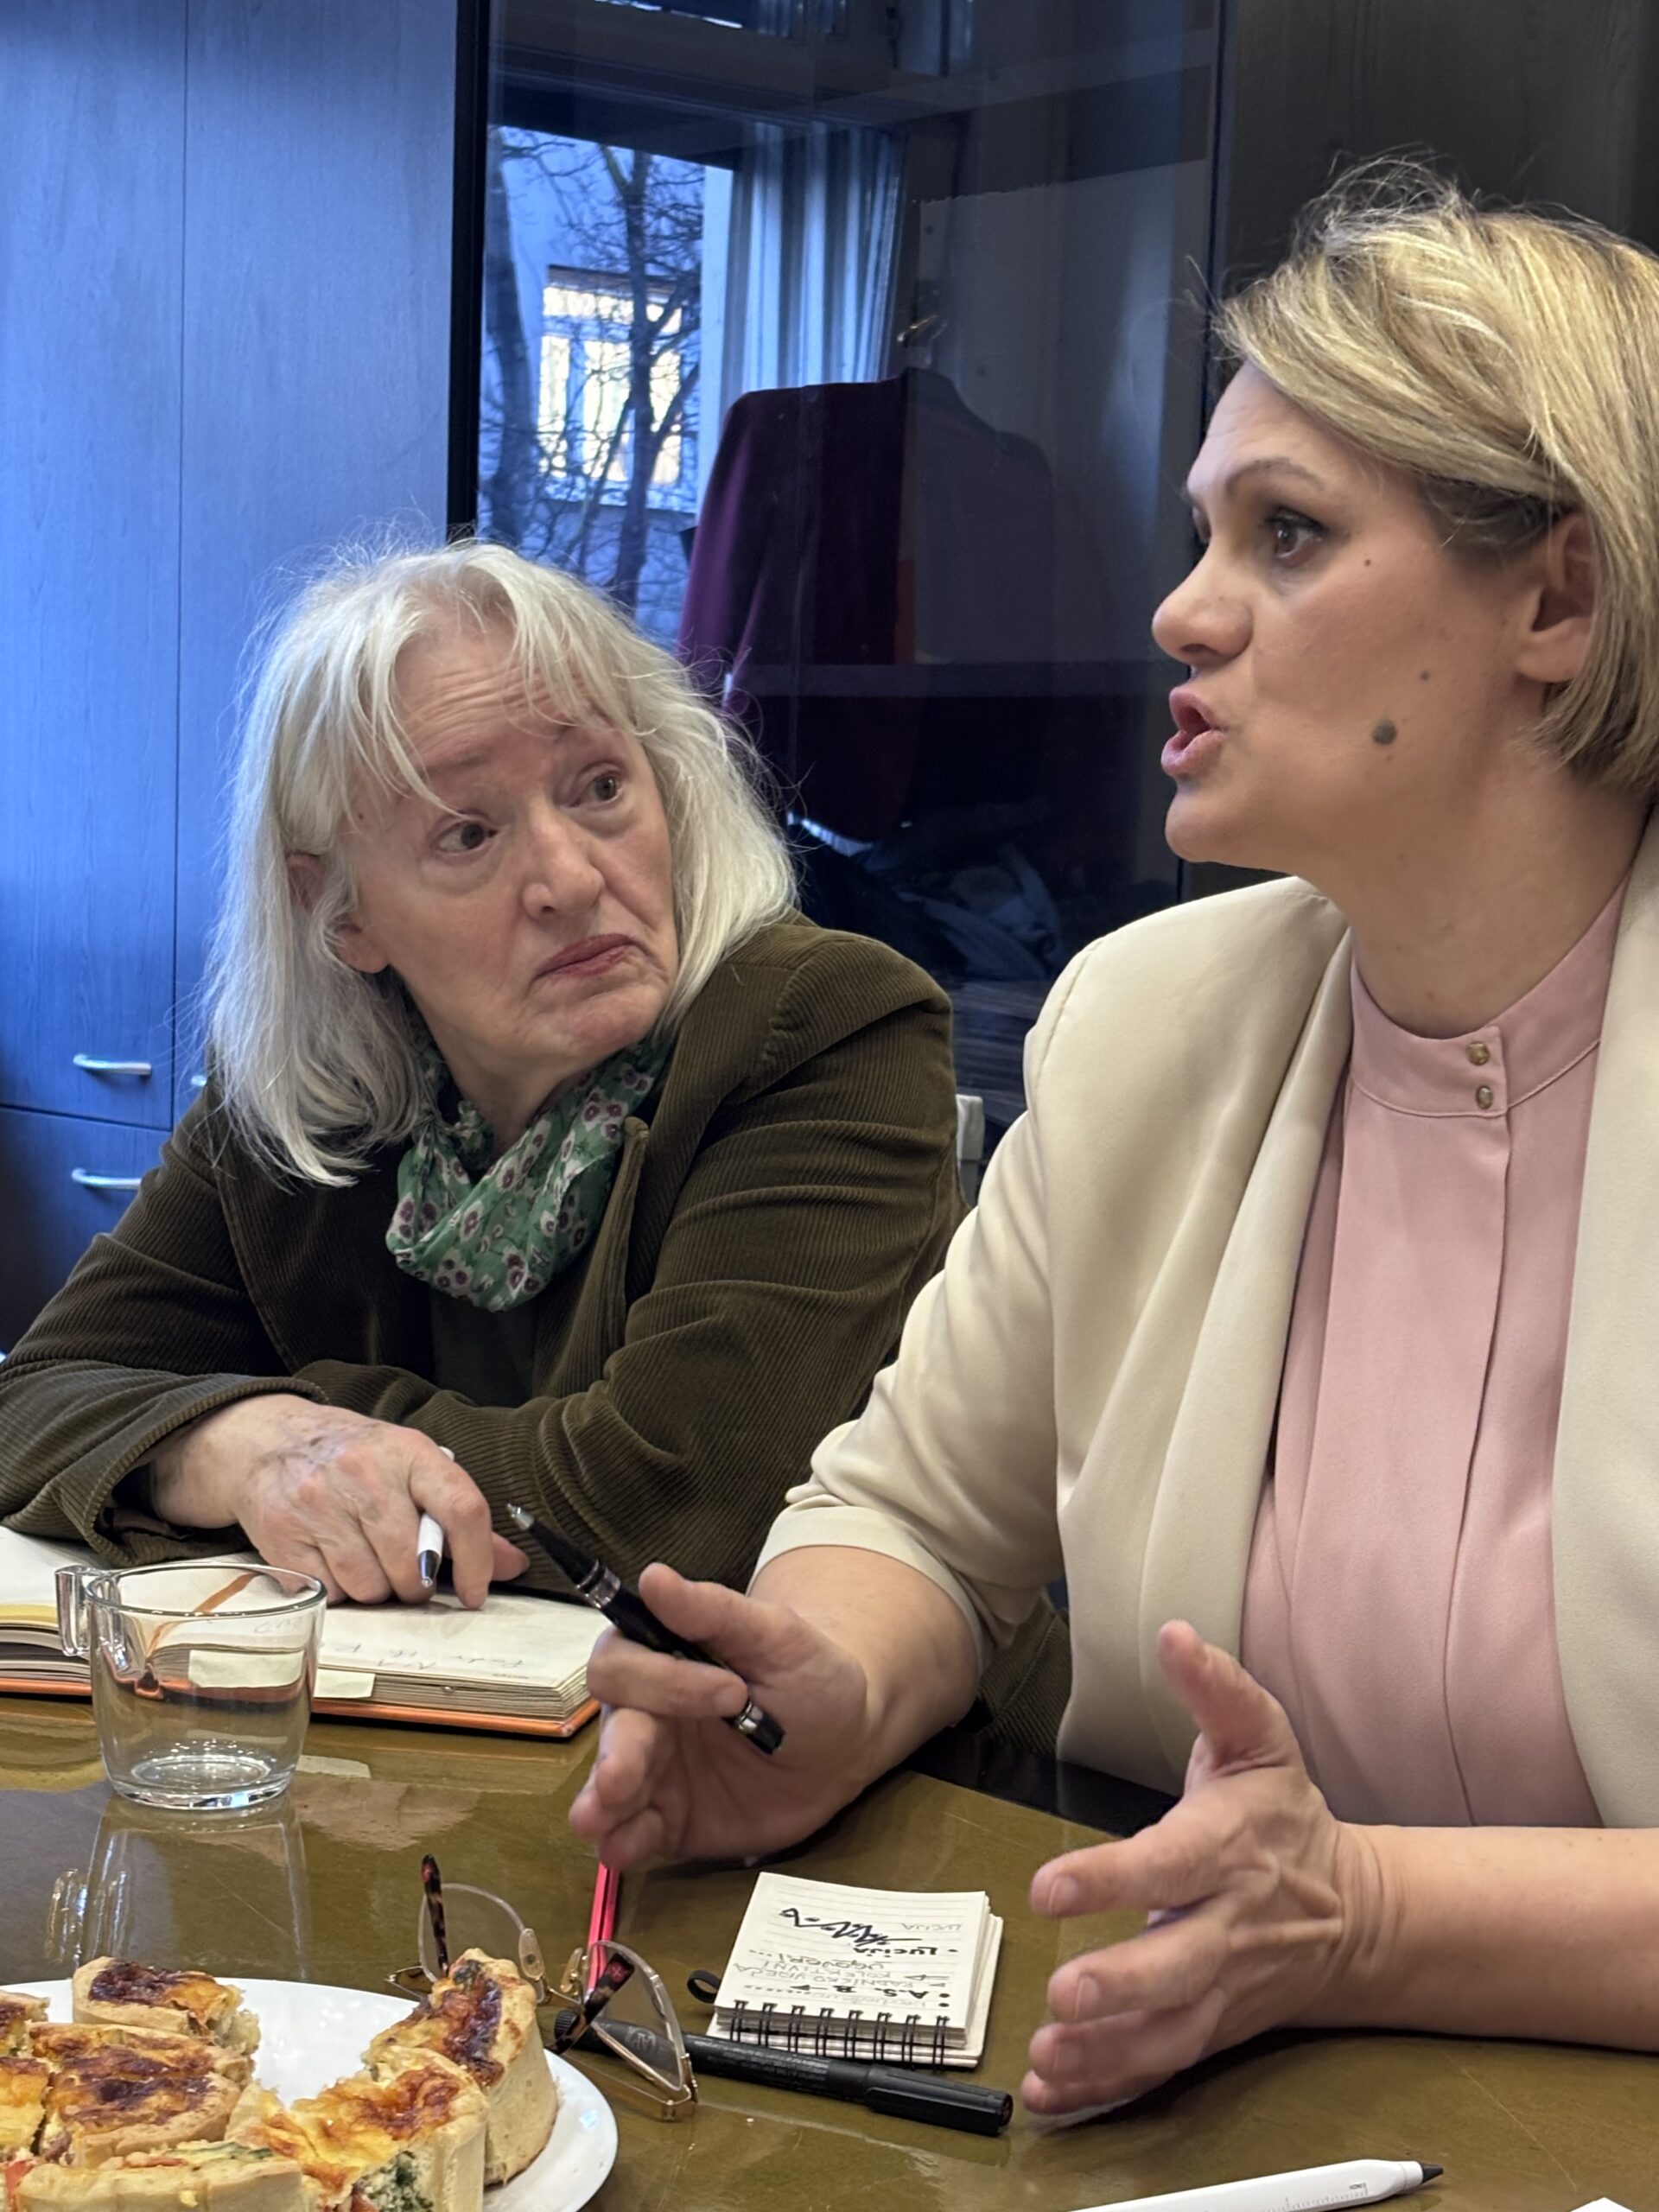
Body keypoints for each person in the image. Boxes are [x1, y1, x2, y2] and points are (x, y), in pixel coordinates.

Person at [570, 164, 1659, 2113]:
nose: (1179, 608)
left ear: (1556, 600)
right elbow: (916, 1519)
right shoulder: (1146, 1022)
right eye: (1200, 532)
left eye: (1288, 534)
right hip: (1208, 2095)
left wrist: (1368, 1915)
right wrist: (817, 1690)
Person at [0, 541, 1066, 1736]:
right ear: (337, 912)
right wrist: (244, 1447)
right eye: (468, 835)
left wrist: (306, 1420)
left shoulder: (822, 1027)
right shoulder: (305, 1095)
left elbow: (663, 1506)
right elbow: (30, 1399)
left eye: (600, 787)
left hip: (832, 1779)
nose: (569, 877)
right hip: (406, 1760)